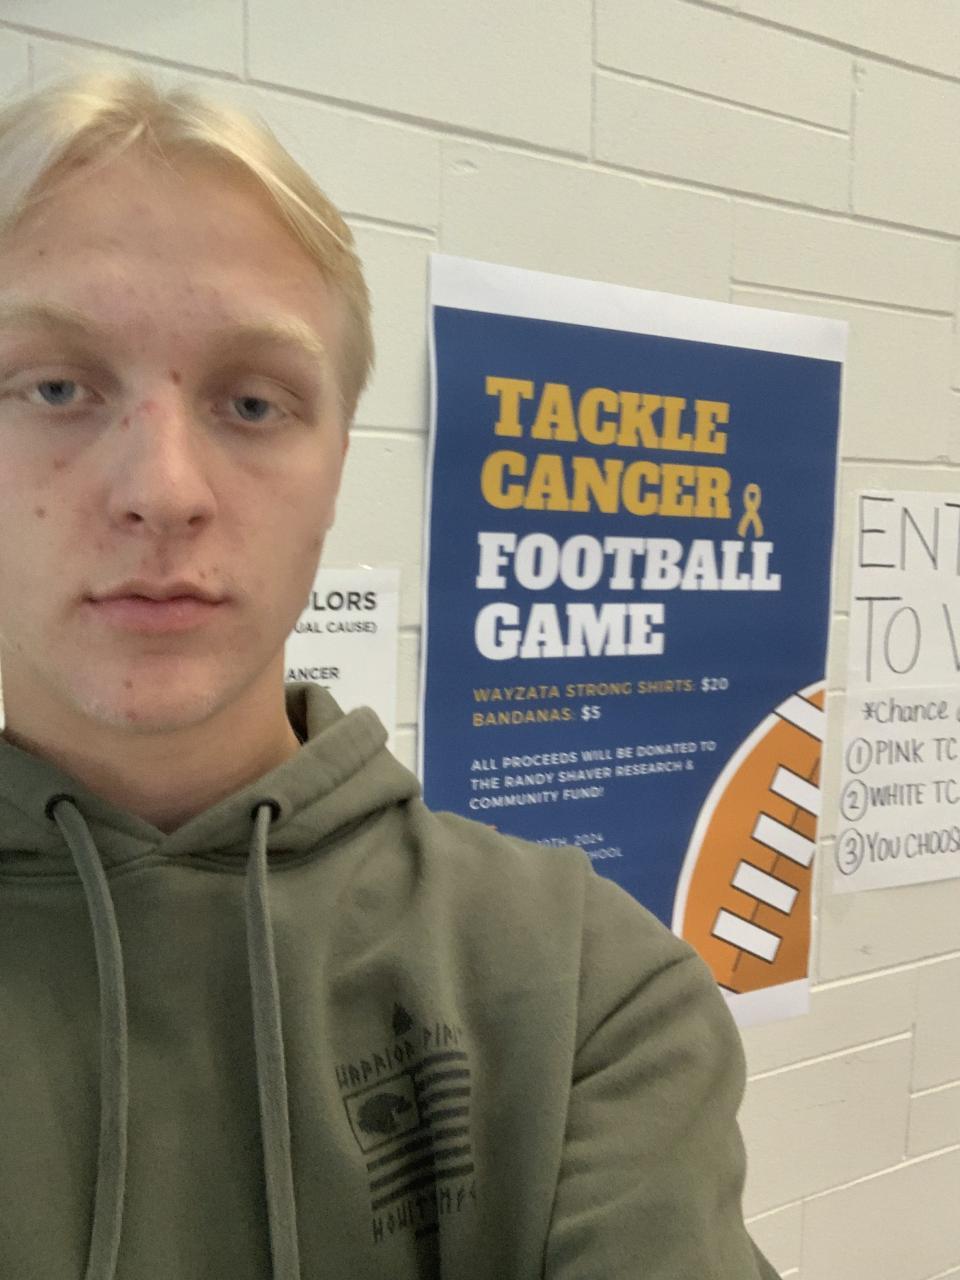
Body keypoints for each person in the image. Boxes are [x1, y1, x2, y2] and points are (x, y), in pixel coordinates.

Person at [0, 69, 780, 1279]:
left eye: (252, 401)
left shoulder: (582, 990)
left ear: (333, 471)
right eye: (55, 386)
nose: (162, 489)